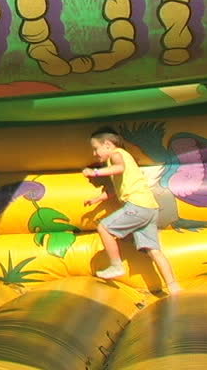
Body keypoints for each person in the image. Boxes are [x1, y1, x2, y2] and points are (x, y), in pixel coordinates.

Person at [82, 126, 181, 295]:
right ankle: (173, 286)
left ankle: (116, 265)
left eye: (95, 149)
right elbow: (120, 186)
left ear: (107, 144)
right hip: (149, 208)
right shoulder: (124, 159)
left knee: (103, 228)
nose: (94, 154)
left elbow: (118, 168)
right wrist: (99, 198)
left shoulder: (116, 154)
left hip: (137, 206)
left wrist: (95, 172)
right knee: (154, 251)